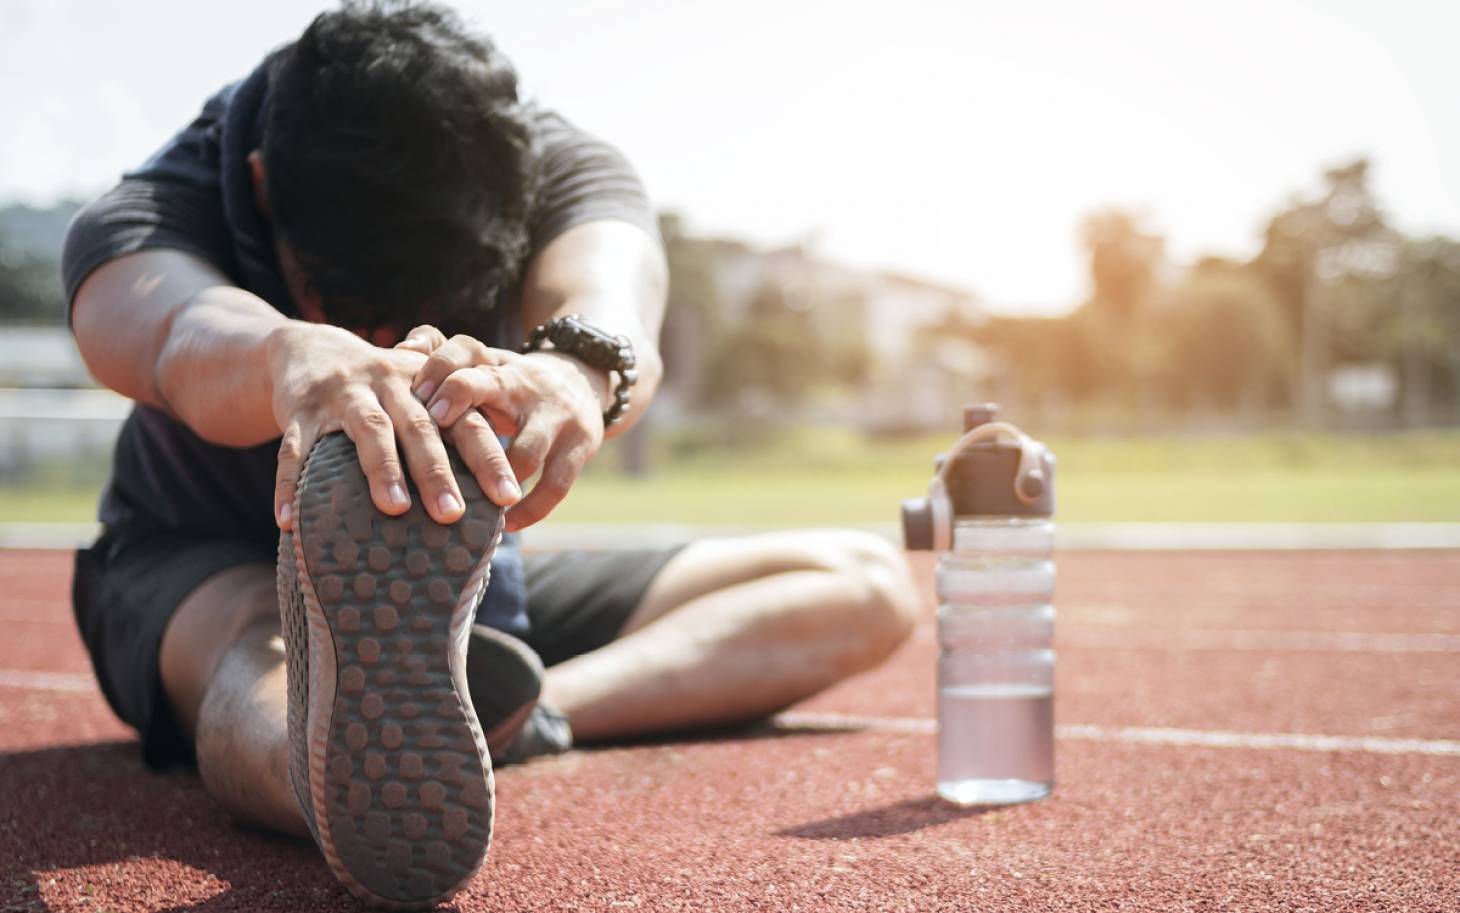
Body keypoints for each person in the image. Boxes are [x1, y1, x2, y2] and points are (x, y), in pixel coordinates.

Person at [63, 1, 918, 907]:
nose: (389, 344)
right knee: (257, 648)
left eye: (433, 306)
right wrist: (288, 353)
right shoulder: (158, 203)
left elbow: (610, 290)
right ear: (264, 186)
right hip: (201, 561)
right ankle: (322, 759)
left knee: (865, 579)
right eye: (351, 312)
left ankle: (511, 714)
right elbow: (163, 327)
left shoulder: (557, 165)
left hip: (462, 588)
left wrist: (577, 372)